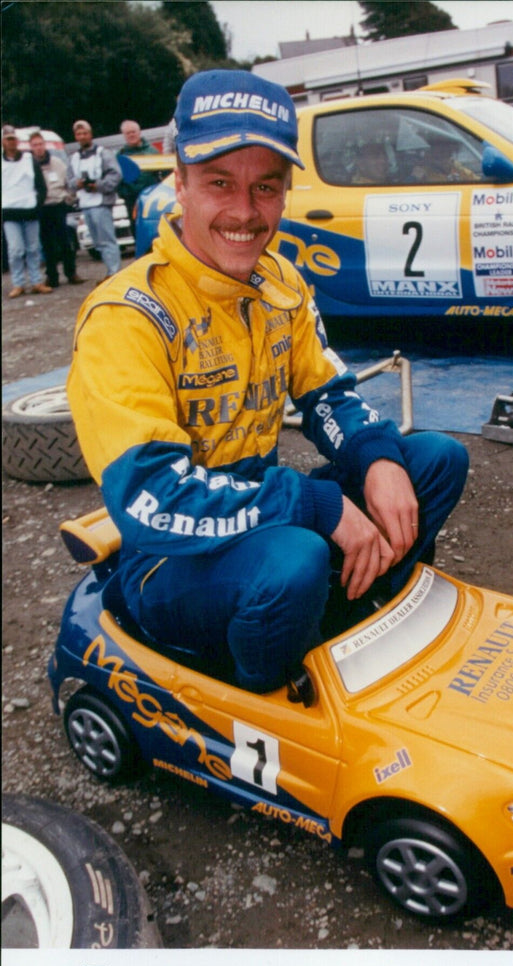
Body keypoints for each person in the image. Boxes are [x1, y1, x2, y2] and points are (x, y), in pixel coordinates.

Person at [66, 69, 469, 695]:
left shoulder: (279, 279)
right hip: (168, 560)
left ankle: (354, 617)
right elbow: (152, 500)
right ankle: (265, 691)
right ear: (180, 183)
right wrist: (318, 505)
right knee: (292, 560)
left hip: (260, 519)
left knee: (435, 459)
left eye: (266, 187)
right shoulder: (124, 317)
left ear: (284, 193)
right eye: (219, 183)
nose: (245, 212)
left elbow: (328, 394)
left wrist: (375, 460)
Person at [29, 130, 84, 287]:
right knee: (47, 245)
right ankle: (52, 277)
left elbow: (70, 183)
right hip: (42, 207)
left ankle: (71, 273)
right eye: (35, 145)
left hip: (59, 205)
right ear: (31, 148)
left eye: (40, 144)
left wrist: (69, 200)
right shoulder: (29, 166)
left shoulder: (57, 163)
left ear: (44, 145)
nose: (38, 148)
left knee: (65, 242)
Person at [1, 124, 50, 298]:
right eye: (8, 139)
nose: (11, 142)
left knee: (34, 248)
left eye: (13, 139)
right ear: (3, 142)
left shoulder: (29, 159)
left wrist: (37, 204)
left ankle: (36, 281)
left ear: (17, 140)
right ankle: (18, 283)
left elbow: (41, 186)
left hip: (30, 211)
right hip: (9, 213)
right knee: (15, 250)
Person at [69, 119, 122, 278]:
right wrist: (77, 183)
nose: (82, 136)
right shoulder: (74, 158)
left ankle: (115, 273)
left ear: (90, 134)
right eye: (79, 134)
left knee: (107, 240)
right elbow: (69, 180)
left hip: (101, 202)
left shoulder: (103, 153)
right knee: (97, 242)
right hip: (85, 203)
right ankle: (110, 270)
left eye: (85, 133)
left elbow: (116, 174)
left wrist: (97, 185)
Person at [117, 119, 161, 220]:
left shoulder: (153, 152)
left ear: (139, 132)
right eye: (128, 133)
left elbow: (164, 175)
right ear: (124, 135)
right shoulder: (120, 156)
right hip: (131, 200)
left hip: (153, 199)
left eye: (133, 132)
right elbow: (117, 180)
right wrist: (125, 194)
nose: (131, 135)